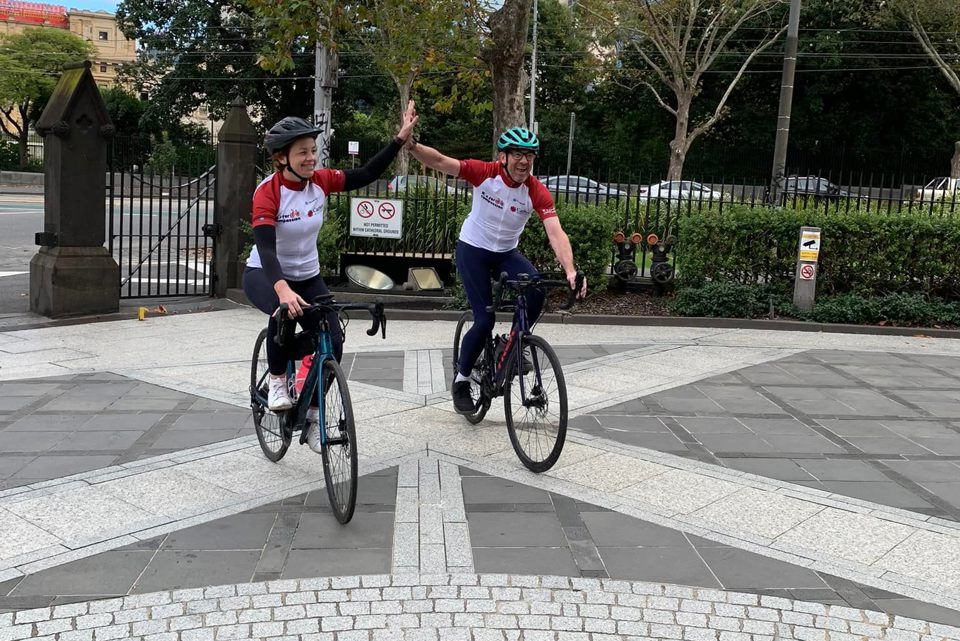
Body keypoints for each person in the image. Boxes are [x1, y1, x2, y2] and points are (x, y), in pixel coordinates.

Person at [244, 101, 418, 450]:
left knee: (332, 339)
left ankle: (310, 414)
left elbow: (366, 174)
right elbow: (266, 249)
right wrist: (282, 290)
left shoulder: (320, 182)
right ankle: (278, 381)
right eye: (302, 152)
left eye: (313, 151)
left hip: (307, 274)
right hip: (266, 273)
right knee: (284, 316)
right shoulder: (268, 191)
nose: (311, 158)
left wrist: (399, 139)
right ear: (282, 157)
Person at [406, 126, 587, 414]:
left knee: (537, 288)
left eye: (529, 155)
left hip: (505, 253)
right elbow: (442, 162)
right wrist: (411, 145)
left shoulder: (535, 191)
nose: (524, 161)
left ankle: (513, 345)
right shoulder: (485, 173)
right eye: (517, 154)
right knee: (484, 320)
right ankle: (462, 380)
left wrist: (570, 270)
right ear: (503, 156)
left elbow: (555, 232)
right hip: (473, 250)